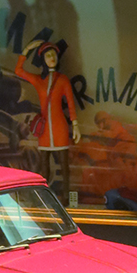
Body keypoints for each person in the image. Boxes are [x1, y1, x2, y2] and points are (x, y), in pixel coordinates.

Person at [15, 39, 80, 203]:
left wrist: (75, 124)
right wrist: (28, 48)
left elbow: (71, 104)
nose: (52, 58)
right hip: (44, 129)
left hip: (60, 127)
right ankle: (44, 197)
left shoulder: (63, 79)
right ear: (43, 59)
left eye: (54, 55)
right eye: (48, 55)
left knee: (64, 165)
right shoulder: (39, 80)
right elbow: (18, 70)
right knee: (44, 166)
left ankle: (66, 198)